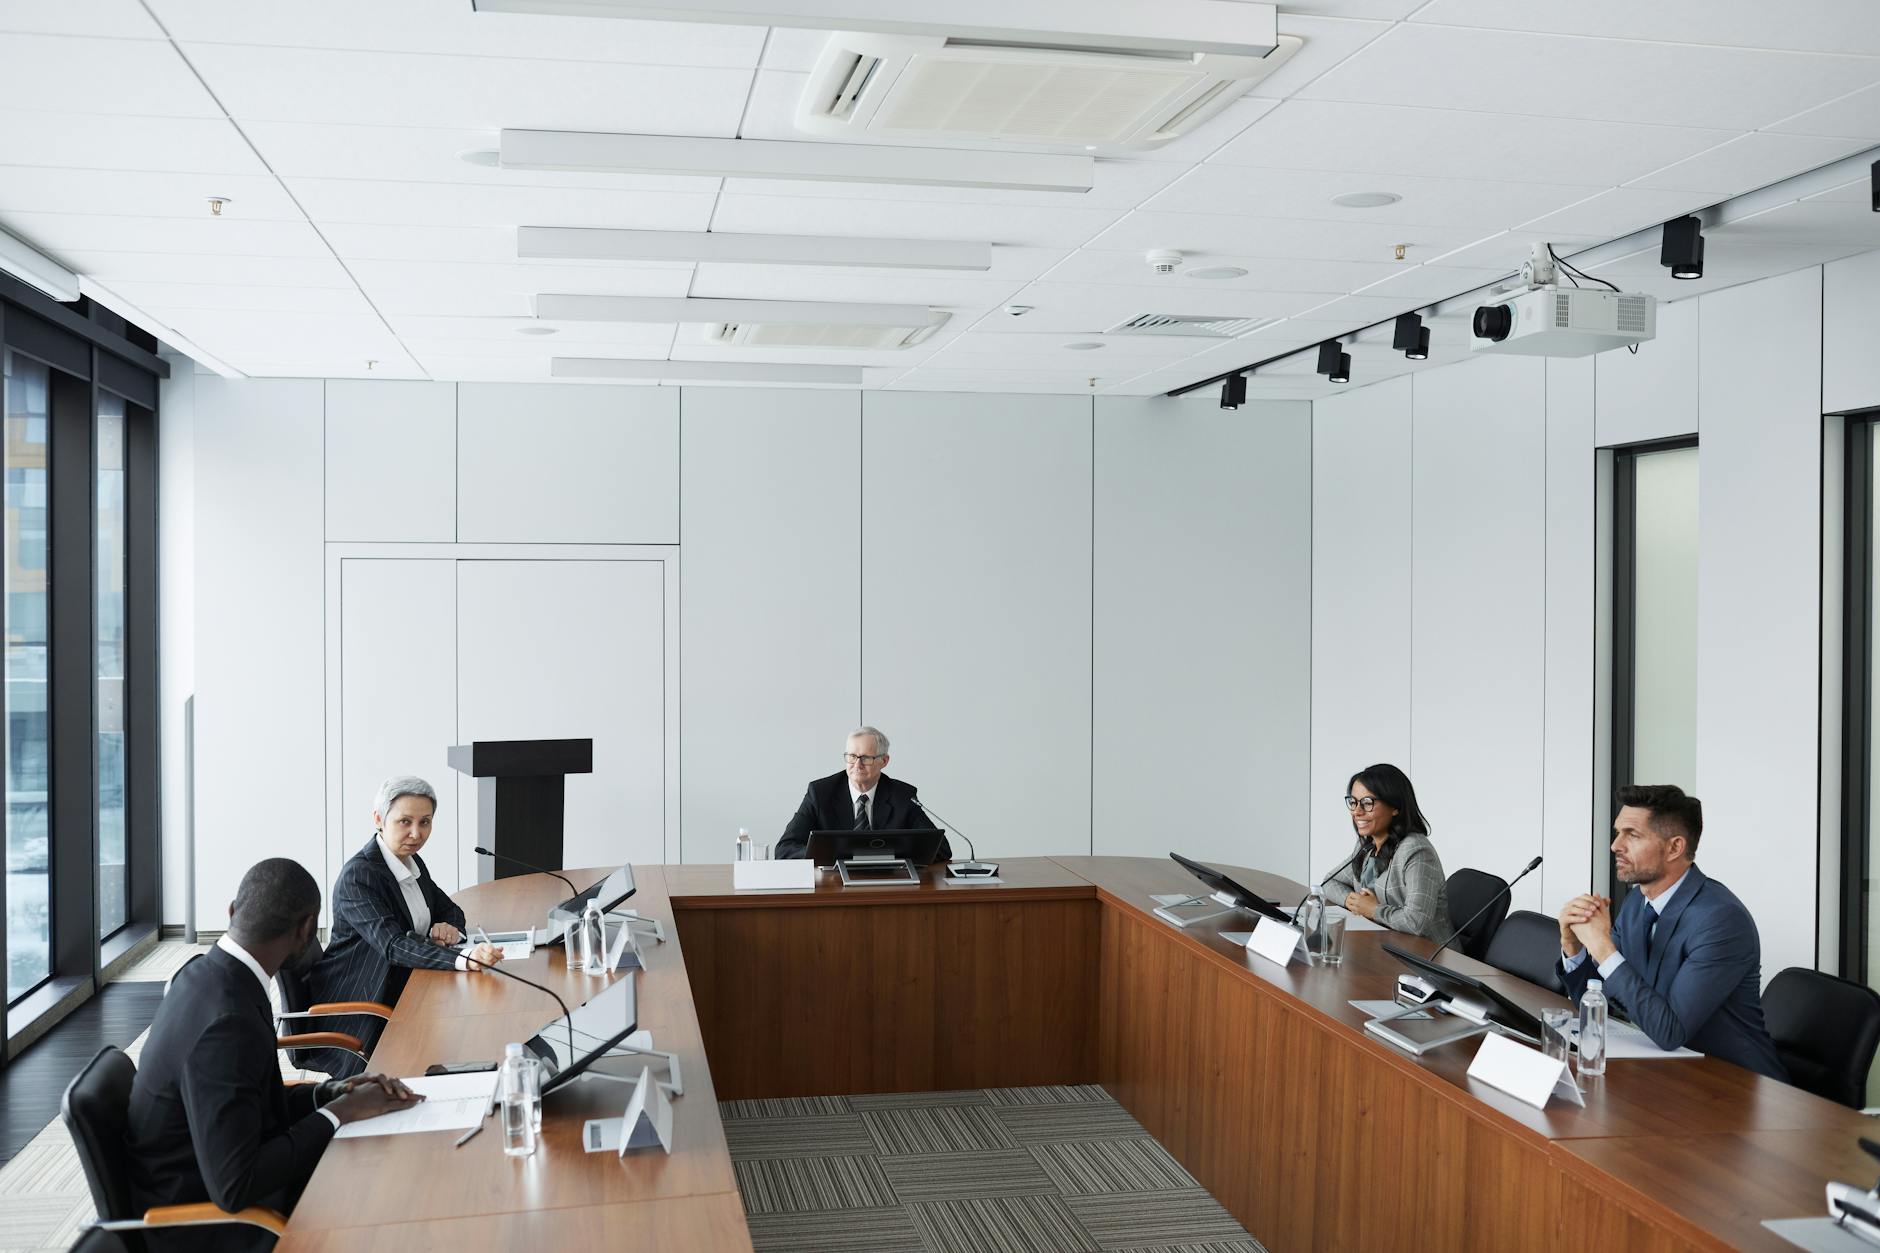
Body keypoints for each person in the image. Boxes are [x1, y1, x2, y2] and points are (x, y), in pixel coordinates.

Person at [127, 858, 422, 1252]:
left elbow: (245, 1098)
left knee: (384, 1159)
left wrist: (332, 1093)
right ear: (305, 930)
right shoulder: (228, 1021)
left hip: (211, 1176)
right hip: (212, 1225)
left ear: (232, 910)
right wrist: (340, 1114)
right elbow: (236, 1186)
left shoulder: (205, 974)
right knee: (391, 1191)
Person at [1557, 784, 1788, 1081]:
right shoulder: (1637, 902)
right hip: (1669, 1072)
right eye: (1618, 832)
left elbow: (1670, 1031)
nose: (1616, 845)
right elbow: (1599, 998)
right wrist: (1573, 947)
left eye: (1633, 835)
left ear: (1675, 847)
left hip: (1734, 1086)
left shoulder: (1721, 920)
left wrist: (1602, 947)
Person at [299, 775, 503, 1076]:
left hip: (405, 983)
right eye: (405, 822)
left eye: (425, 822)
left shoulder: (411, 861)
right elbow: (393, 945)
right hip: (364, 1002)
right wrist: (464, 958)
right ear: (379, 819)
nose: (416, 833)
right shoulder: (360, 876)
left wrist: (450, 927)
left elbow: (450, 909)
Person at [775, 726, 951, 861]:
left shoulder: (902, 796)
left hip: (888, 884)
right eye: (851, 756)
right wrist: (828, 855)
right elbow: (784, 848)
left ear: (884, 761)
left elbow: (941, 849)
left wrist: (889, 858)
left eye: (866, 758)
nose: (857, 765)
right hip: (834, 886)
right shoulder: (820, 793)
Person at [1319, 763, 1451, 942]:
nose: (1357, 812)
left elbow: (1416, 922)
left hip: (1429, 958)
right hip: (1385, 944)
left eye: (1367, 803)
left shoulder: (1417, 852)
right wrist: (1354, 902)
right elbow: (1330, 882)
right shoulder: (1367, 846)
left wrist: (1373, 910)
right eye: (1353, 802)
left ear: (1395, 807)